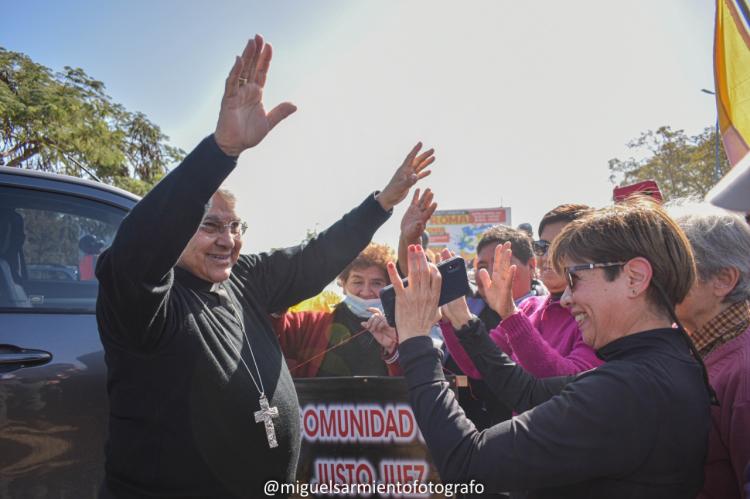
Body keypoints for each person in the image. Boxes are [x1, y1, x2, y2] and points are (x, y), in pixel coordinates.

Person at [95, 35, 435, 498]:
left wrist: (382, 203)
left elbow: (315, 258)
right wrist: (221, 151)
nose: (228, 240)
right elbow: (137, 249)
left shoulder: (244, 280)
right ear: (177, 229)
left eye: (236, 227)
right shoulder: (142, 300)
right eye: (210, 226)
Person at [390, 199, 713, 498]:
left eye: (575, 279)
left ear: (635, 277)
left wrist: (417, 342)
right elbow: (529, 393)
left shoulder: (626, 387)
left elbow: (467, 463)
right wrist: (463, 320)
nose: (568, 298)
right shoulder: (666, 362)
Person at [440, 203, 600, 380]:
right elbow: (478, 366)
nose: (547, 256)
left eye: (561, 246)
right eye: (543, 246)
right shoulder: (529, 308)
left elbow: (570, 382)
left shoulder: (596, 313)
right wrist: (450, 317)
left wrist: (510, 315)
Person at [672, 205, 750, 499]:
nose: (658, 282)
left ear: (723, 280)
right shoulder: (694, 345)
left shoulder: (744, 372)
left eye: (675, 268)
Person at [272, 242, 401, 377]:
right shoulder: (310, 322)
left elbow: (414, 382)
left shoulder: (402, 328)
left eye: (376, 283)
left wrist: (393, 350)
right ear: (343, 285)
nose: (366, 291)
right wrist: (280, 300)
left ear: (388, 287)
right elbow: (267, 334)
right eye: (357, 282)